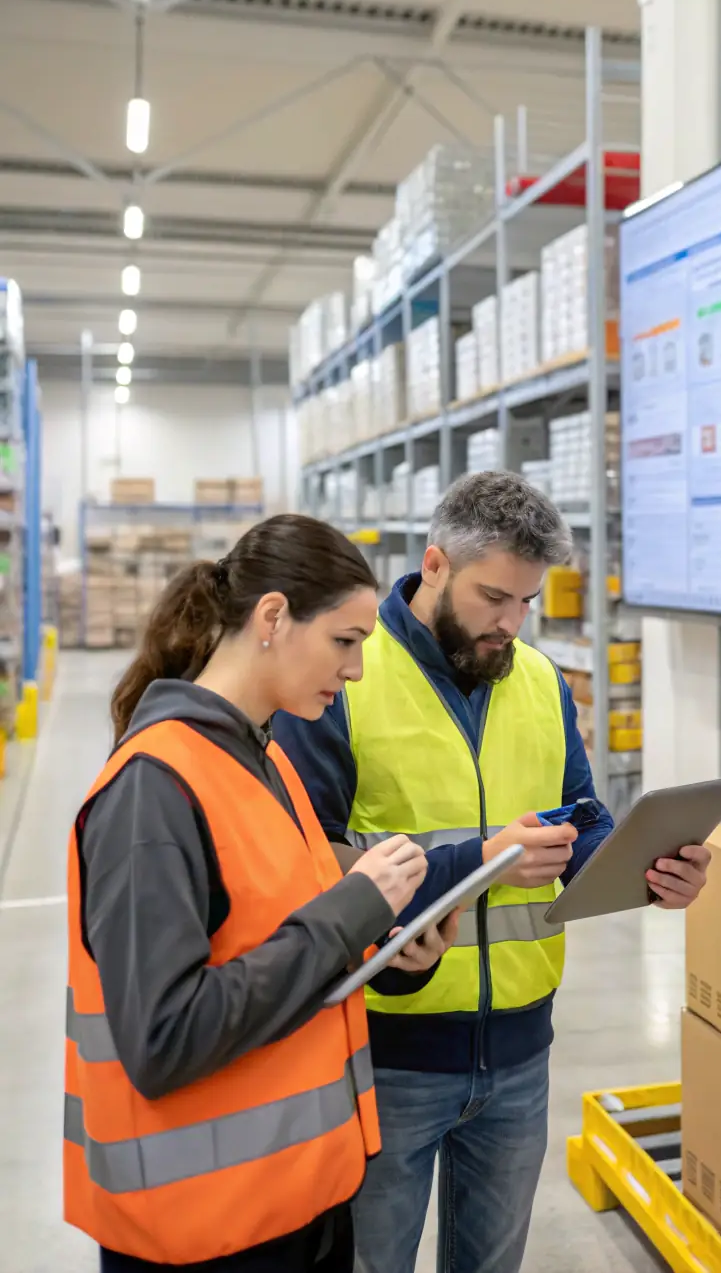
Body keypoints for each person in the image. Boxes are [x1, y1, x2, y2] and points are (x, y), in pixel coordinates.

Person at [274, 473, 712, 1273]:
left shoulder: (540, 680)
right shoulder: (345, 675)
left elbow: (581, 821)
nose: (510, 624)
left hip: (518, 1052)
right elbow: (308, 862)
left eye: (527, 603)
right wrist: (480, 860)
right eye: (493, 598)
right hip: (385, 1054)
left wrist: (646, 872)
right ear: (435, 565)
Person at [64, 514, 463, 1273]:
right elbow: (164, 1038)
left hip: (296, 1207)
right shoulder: (154, 791)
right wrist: (349, 914)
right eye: (345, 641)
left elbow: (277, 938)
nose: (356, 672)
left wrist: (392, 947)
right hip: (202, 1234)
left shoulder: (266, 757)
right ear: (273, 617)